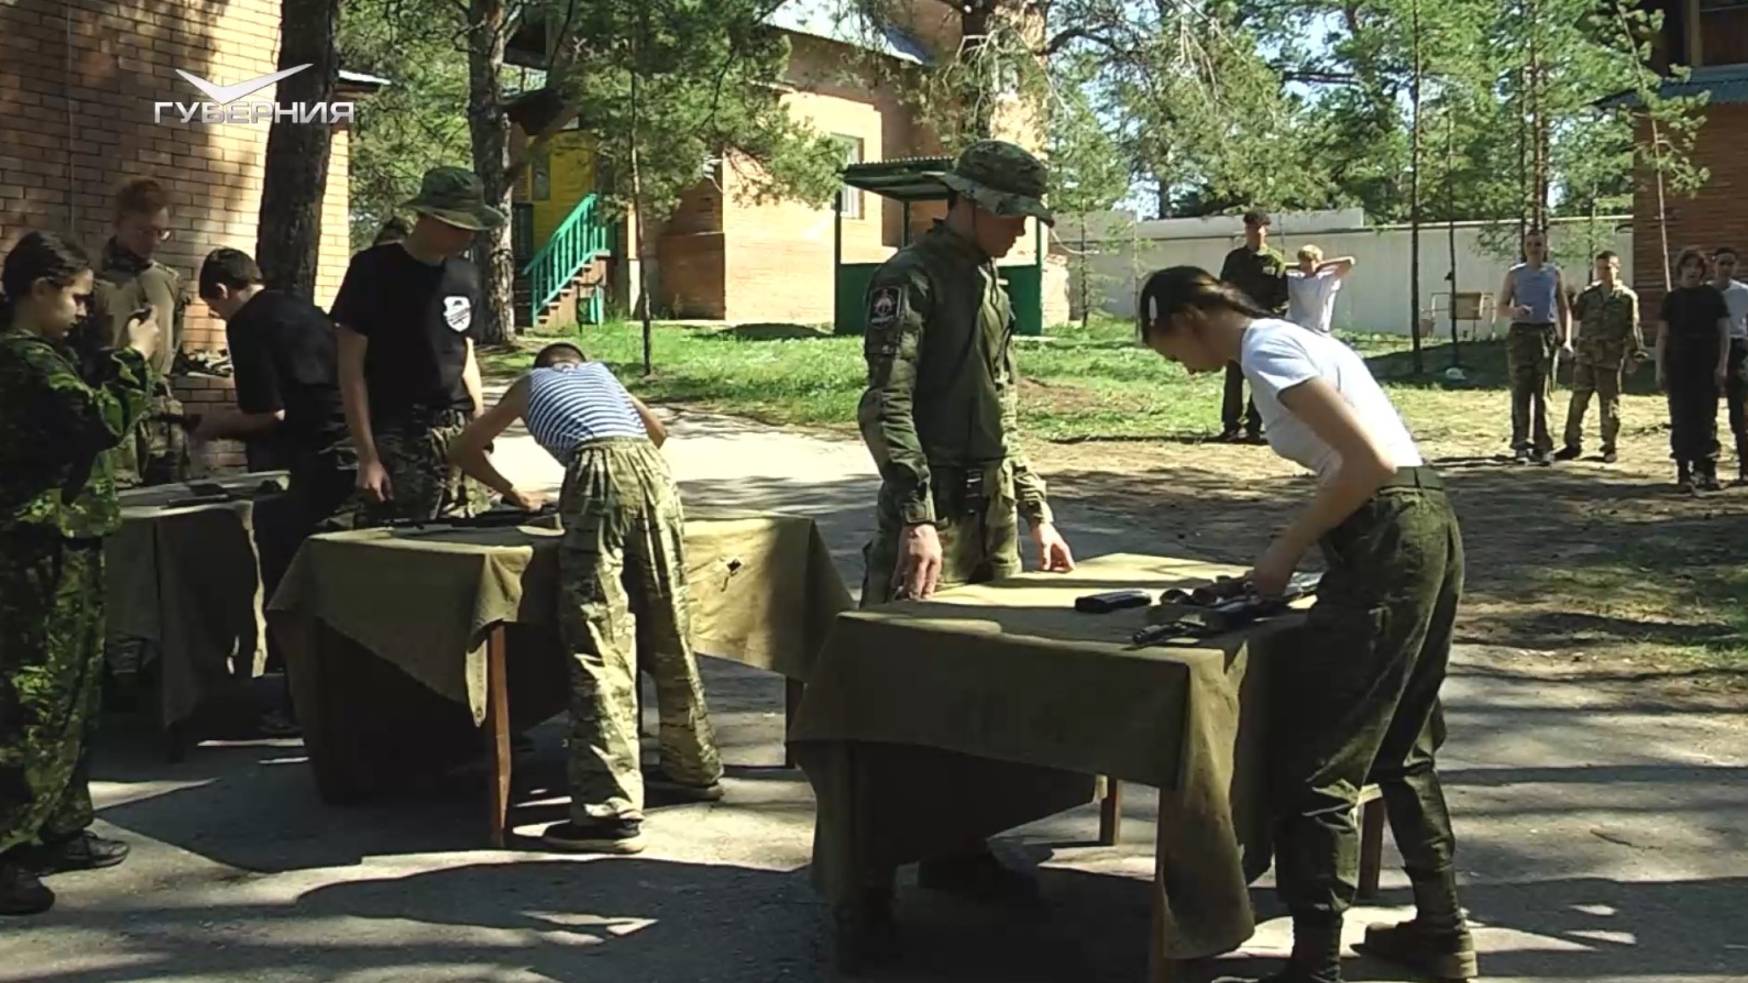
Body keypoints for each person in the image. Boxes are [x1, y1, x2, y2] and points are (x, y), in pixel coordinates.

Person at [1138, 266, 1474, 983]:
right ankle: (1443, 933)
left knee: (1320, 761)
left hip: (1390, 528)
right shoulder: (1297, 338)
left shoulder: (1266, 349)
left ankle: (1315, 965)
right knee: (1402, 744)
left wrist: (1284, 552)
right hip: (1424, 523)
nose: (1181, 367)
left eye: (1169, 348)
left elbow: (1366, 462)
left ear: (1187, 320)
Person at [850, 139, 1076, 956]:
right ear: (969, 201)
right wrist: (914, 515)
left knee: (984, 695)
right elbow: (886, 404)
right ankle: (863, 880)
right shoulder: (910, 277)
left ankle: (957, 848)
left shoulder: (989, 279)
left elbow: (1004, 402)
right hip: (934, 512)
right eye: (1012, 215)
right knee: (896, 695)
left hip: (994, 512)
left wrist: (1038, 508)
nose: (1022, 232)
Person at [447, 342, 722, 854]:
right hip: (654, 478)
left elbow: (464, 448)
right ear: (577, 362)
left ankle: (608, 810)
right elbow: (656, 434)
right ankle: (693, 766)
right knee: (669, 618)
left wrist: (517, 495)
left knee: (599, 632)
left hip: (595, 470)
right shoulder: (604, 375)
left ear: (542, 366)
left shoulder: (529, 385)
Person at [1, 231, 158, 915]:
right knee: (31, 694)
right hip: (35, 547)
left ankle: (60, 822)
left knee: (73, 688)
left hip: (70, 540)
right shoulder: (22, 361)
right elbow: (98, 422)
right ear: (38, 291)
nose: (81, 309)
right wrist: (135, 360)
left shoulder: (50, 356)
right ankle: (9, 845)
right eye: (75, 297)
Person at [193, 248, 356, 640]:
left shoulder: (247, 323)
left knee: (287, 576)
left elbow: (269, 414)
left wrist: (213, 425)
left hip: (309, 461)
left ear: (221, 290)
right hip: (350, 448)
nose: (217, 318)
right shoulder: (302, 308)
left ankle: (288, 670)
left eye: (214, 308)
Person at [332, 166, 500, 525]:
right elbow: (350, 369)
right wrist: (367, 456)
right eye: (459, 226)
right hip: (398, 434)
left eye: (474, 228)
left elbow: (464, 351)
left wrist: (479, 426)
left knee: (467, 534)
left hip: (457, 429)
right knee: (402, 545)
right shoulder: (374, 269)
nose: (468, 236)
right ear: (429, 218)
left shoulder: (465, 275)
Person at [90, 177, 191, 487]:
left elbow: (174, 344)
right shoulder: (92, 281)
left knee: (170, 504)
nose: (153, 241)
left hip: (163, 411)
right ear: (118, 225)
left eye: (161, 232)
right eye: (144, 231)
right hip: (114, 407)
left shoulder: (168, 280)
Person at [1556, 251, 1644, 464]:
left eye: (1608, 268)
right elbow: (1576, 315)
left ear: (1617, 267)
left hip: (1610, 358)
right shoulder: (1590, 294)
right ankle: (1572, 444)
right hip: (1586, 355)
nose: (1604, 273)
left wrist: (1635, 354)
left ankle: (1609, 446)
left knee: (1609, 405)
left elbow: (1632, 327)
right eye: (1600, 268)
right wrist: (1569, 297)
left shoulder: (1626, 297)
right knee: (1578, 401)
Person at [1656, 247, 1731, 492]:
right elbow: (1662, 336)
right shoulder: (1672, 298)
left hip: (1706, 366)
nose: (1692, 271)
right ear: (1680, 270)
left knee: (1706, 419)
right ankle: (1683, 472)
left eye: (1697, 267)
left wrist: (1722, 365)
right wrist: (1659, 369)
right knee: (1681, 419)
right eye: (1688, 266)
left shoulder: (1712, 296)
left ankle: (1707, 470)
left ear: (1702, 271)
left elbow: (1724, 333)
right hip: (1679, 366)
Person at [1495, 229, 1572, 465]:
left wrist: (1566, 339)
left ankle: (1544, 446)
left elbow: (1563, 308)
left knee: (1544, 393)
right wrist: (1514, 311)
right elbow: (1501, 306)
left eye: (1538, 244)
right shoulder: (1515, 274)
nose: (1533, 248)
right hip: (1520, 335)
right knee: (1521, 392)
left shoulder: (1553, 273)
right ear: (1524, 247)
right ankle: (1521, 446)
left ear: (1545, 247)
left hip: (1546, 334)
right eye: (1529, 244)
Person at [1218, 210, 1288, 442]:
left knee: (1258, 378)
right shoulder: (1235, 259)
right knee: (1234, 377)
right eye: (1249, 228)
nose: (1253, 233)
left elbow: (1282, 296)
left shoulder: (1275, 260)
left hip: (1262, 327)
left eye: (1257, 228)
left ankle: (1254, 426)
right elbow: (1224, 288)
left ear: (1265, 230)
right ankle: (1231, 426)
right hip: (1236, 324)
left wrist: (1271, 319)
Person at [1709, 246, 1748, 484]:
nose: (1725, 268)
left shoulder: (1744, 292)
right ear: (1713, 265)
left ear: (1737, 266)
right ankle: (1708, 465)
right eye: (1721, 263)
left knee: (1740, 411)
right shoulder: (1706, 292)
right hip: (1709, 349)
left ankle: (1744, 467)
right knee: (1707, 409)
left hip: (1738, 349)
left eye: (1730, 263)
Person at [1286, 245, 1356, 336]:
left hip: (1318, 330)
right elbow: (1279, 268)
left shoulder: (1327, 279)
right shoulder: (1294, 279)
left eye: (1309, 261)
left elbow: (1349, 262)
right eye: (1302, 261)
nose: (1305, 264)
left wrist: (1321, 265)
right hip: (1296, 329)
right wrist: (1297, 267)